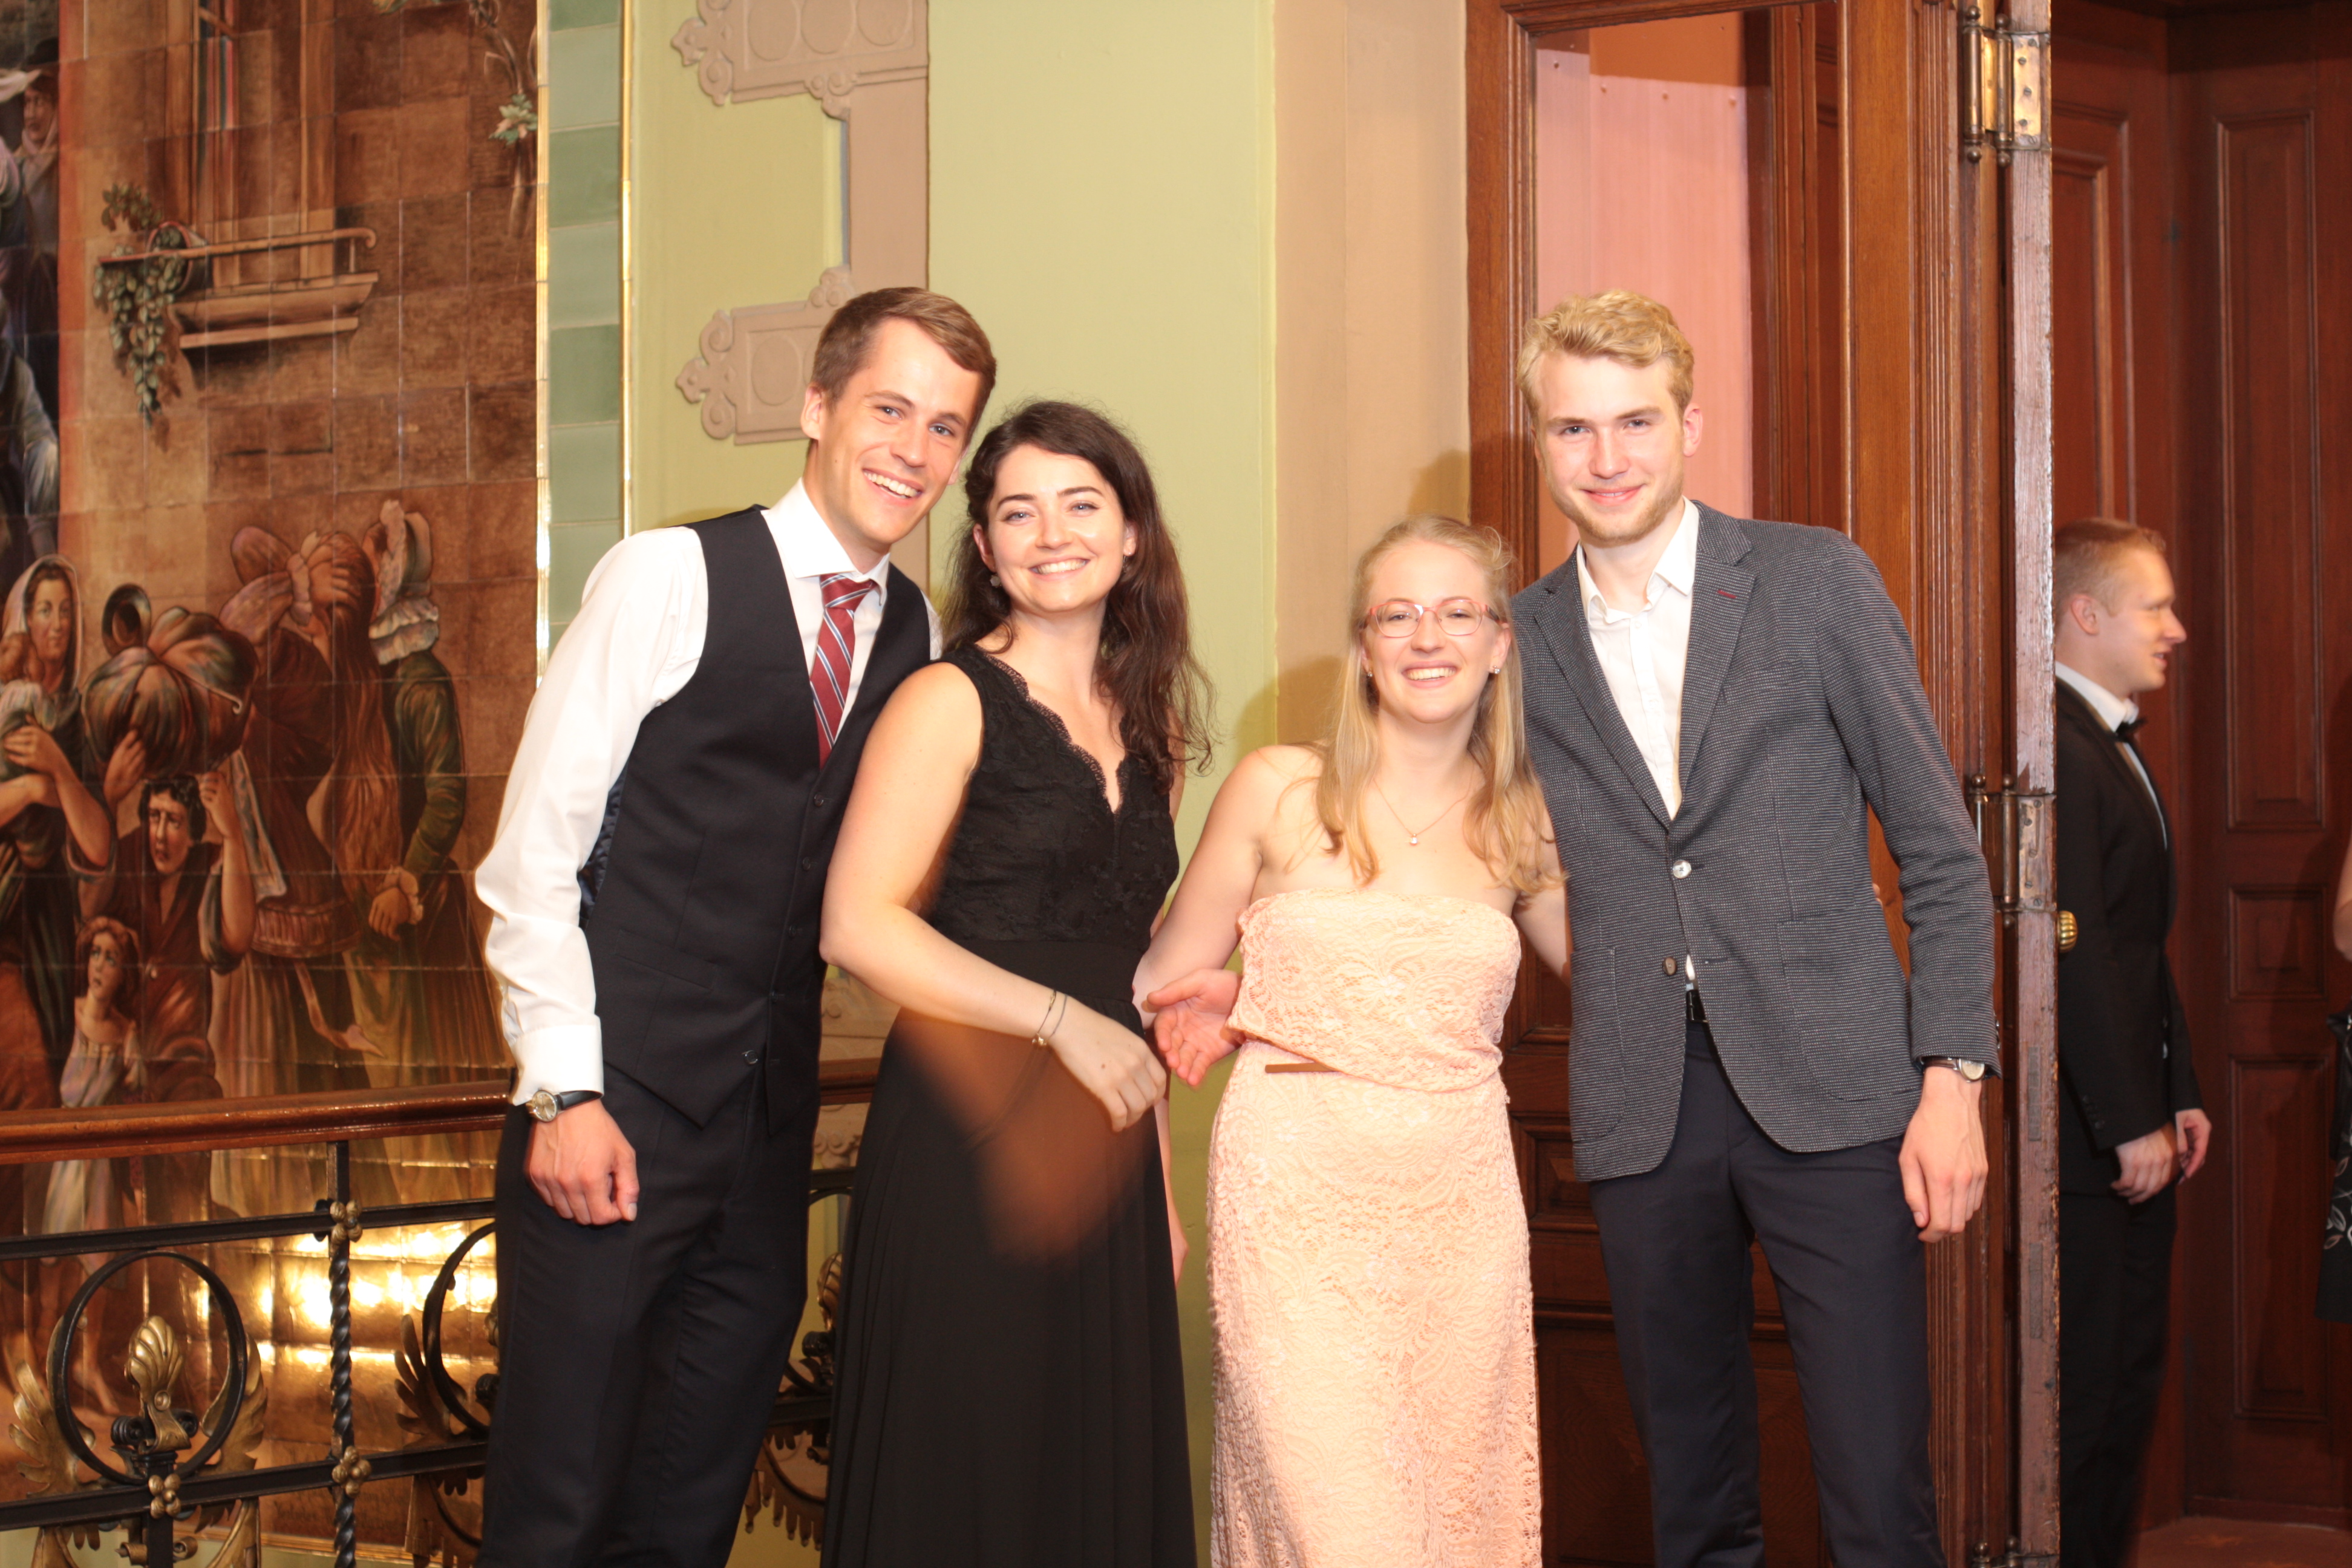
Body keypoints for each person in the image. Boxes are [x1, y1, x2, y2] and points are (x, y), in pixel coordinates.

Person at [474, 287, 991, 1567]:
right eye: (889, 409)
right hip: (613, 1116)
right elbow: (533, 856)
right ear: (816, 406)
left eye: (945, 428)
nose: (914, 451)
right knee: (556, 1513)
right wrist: (566, 1093)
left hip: (764, 1148)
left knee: (689, 1515)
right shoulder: (667, 575)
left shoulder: (915, 632)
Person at [1512, 292, 1993, 1566]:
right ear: (1541, 443)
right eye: (1574, 428)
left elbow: (1940, 851)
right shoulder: (1519, 640)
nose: (1606, 458)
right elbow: (1471, 847)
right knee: (1694, 1497)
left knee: (1879, 1493)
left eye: (1635, 422)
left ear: (1689, 425)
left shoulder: (1811, 579)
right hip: (1642, 1101)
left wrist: (1953, 1077)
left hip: (1840, 1088)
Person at [818, 400, 1207, 1568]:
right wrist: (1056, 1023)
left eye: (1081, 505)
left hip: (1107, 1152)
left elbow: (1132, 976)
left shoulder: (1152, 726)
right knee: (971, 1472)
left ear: (1131, 533)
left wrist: (1161, 1190)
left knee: (1084, 1481)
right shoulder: (947, 698)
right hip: (966, 1136)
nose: (1052, 535)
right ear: (984, 547)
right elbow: (857, 923)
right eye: (1018, 512)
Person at [1144, 515, 1555, 1566]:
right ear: (1364, 646)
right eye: (1397, 615)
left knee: (1456, 1518)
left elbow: (1626, 981)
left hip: (1460, 1215)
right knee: (1340, 1523)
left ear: (1500, 643)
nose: (1428, 638)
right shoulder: (1279, 787)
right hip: (1294, 1203)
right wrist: (1242, 1005)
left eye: (1457, 613)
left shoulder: (1529, 821)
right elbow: (1155, 990)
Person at [2051, 518, 2209, 1567]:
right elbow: (2072, 954)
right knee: (2088, 1397)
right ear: (2085, 614)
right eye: (2155, 606)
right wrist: (2124, 1118)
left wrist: (2178, 1088)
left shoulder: (2107, 742)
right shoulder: (2057, 749)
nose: (2176, 629)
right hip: (2084, 1143)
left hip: (2136, 1119)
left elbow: (2139, 947)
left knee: (2126, 1388)